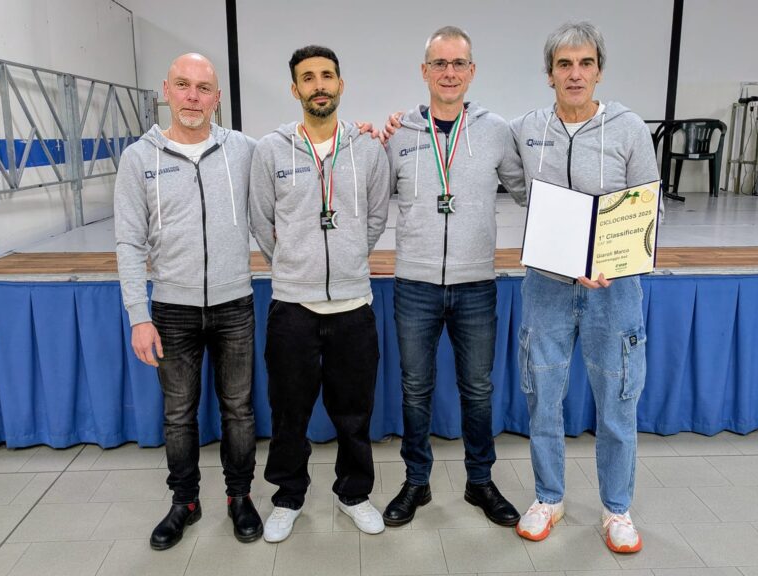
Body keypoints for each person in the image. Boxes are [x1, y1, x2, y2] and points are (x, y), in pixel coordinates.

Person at [510, 22, 658, 551]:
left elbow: (649, 206)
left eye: (585, 63)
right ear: (549, 73)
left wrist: (612, 260)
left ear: (599, 71)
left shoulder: (629, 129)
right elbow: (516, 185)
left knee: (617, 403)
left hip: (613, 290)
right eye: (564, 64)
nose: (575, 74)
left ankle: (617, 509)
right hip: (546, 287)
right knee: (543, 398)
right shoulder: (526, 129)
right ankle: (548, 498)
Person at [114, 53, 262, 550]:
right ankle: (185, 502)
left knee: (238, 410)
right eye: (183, 85)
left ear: (217, 97)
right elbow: (128, 242)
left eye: (203, 88)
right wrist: (138, 315)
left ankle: (240, 497)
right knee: (178, 414)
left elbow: (296, 155)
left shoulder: (244, 150)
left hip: (234, 304)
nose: (193, 97)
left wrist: (364, 131)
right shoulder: (139, 158)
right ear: (167, 90)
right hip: (171, 310)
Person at [381, 26, 525, 528]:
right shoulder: (399, 134)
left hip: (476, 284)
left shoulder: (495, 131)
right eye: (439, 63)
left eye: (458, 63)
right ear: (424, 71)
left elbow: (527, 191)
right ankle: (416, 482)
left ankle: (479, 481)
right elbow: (370, 200)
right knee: (415, 388)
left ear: (472, 71)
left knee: (478, 390)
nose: (449, 72)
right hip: (414, 285)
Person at [249, 45, 391, 543]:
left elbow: (376, 217)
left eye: (327, 75)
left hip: (353, 306)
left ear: (340, 84)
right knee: (289, 413)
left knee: (354, 413)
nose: (319, 85)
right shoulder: (271, 150)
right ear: (295, 89)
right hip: (293, 306)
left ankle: (354, 494)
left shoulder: (368, 149)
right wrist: (295, 264)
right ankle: (288, 497)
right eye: (308, 77)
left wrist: (348, 258)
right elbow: (262, 221)